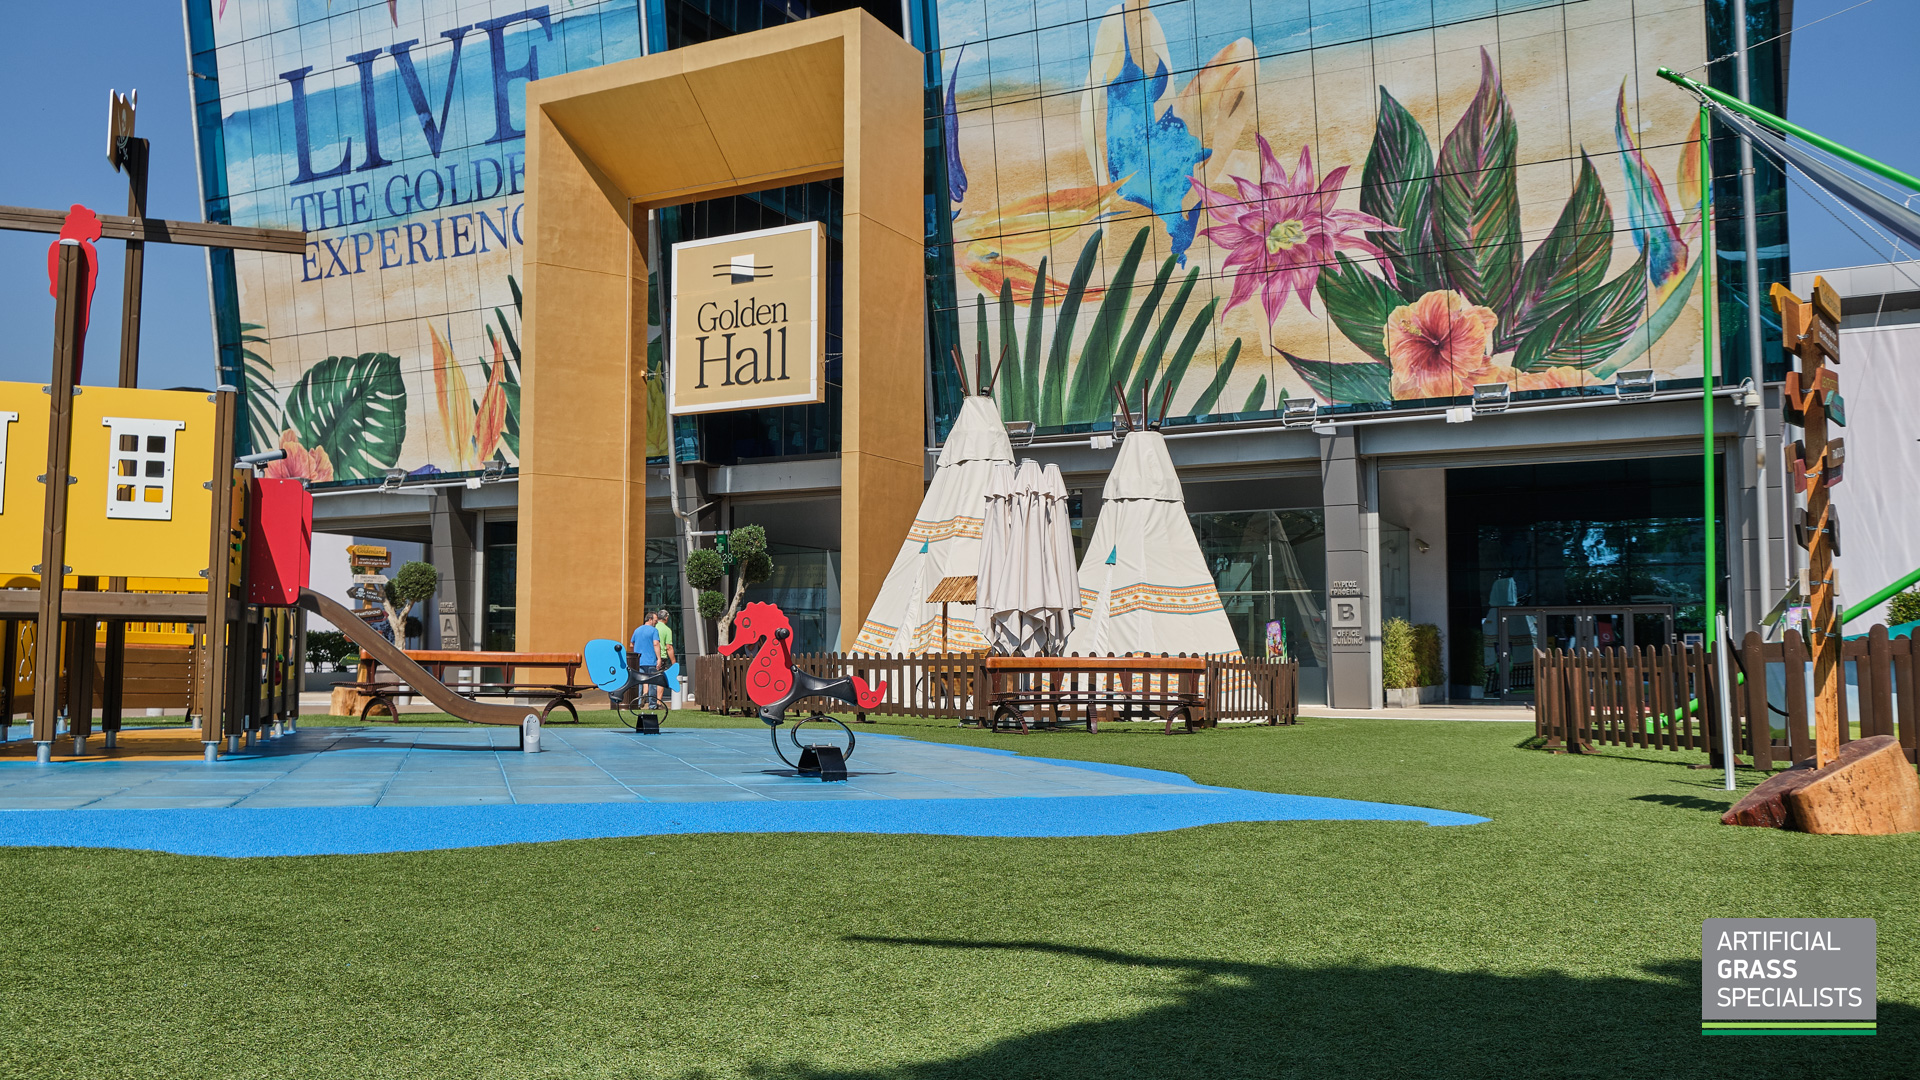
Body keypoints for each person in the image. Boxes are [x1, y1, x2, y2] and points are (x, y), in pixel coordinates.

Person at [628, 612, 661, 710]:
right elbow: (656, 644)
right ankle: (652, 705)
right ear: (650, 619)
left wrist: (637, 651)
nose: (656, 622)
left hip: (639, 661)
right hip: (651, 660)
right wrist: (659, 658)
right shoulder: (654, 631)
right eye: (655, 620)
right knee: (652, 683)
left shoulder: (637, 630)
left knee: (639, 682)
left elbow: (631, 644)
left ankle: (638, 703)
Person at [649, 610, 676, 709]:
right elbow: (669, 647)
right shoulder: (667, 630)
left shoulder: (653, 627)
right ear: (666, 618)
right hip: (662, 656)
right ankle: (658, 702)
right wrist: (673, 662)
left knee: (650, 679)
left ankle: (649, 700)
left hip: (651, 656)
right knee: (661, 679)